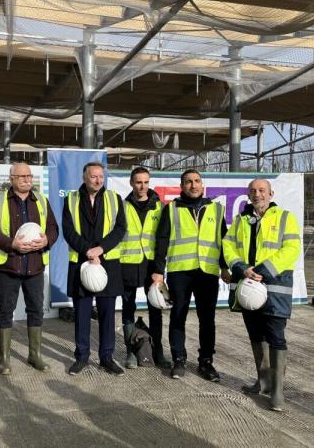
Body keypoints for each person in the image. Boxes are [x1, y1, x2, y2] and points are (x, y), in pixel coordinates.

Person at [223, 178, 301, 411]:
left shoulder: (285, 218)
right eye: (253, 191)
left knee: (276, 336)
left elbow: (292, 249)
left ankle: (277, 391)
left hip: (274, 288)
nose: (257, 194)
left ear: (271, 193)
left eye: (262, 190)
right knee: (256, 334)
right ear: (248, 195)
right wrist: (241, 267)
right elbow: (228, 245)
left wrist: (263, 271)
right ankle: (263, 381)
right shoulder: (241, 220)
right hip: (248, 288)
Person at [151, 169, 230, 381]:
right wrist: (158, 271)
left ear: (202, 185)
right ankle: (179, 359)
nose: (193, 185)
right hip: (180, 272)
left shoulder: (216, 209)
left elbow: (224, 242)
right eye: (188, 182)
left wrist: (224, 267)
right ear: (182, 186)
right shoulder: (172, 209)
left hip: (207, 271)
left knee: (207, 319)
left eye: (196, 181)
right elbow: (162, 241)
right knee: (178, 316)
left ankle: (206, 362)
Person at [0, 162, 59, 374]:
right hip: (9, 266)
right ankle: (4, 360)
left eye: (29, 176)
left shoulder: (41, 201)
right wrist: (11, 244)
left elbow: (53, 228)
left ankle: (34, 355)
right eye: (22, 176)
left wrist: (46, 241)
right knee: (5, 311)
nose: (27, 179)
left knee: (36, 310)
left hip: (34, 267)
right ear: (12, 179)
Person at [63, 162, 127, 376]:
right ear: (84, 177)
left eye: (101, 176)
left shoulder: (114, 199)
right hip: (81, 262)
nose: (98, 180)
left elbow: (120, 229)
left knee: (107, 314)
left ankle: (106, 358)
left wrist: (100, 249)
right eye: (93, 176)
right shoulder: (71, 199)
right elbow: (68, 230)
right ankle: (81, 357)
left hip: (107, 262)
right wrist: (87, 251)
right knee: (82, 313)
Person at [119, 167, 169, 369]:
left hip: (152, 266)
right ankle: (130, 352)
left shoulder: (161, 207)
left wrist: (159, 268)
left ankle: (158, 352)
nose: (142, 186)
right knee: (127, 310)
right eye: (138, 182)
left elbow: (163, 240)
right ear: (131, 183)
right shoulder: (122, 206)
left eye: (146, 182)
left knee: (155, 310)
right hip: (128, 264)